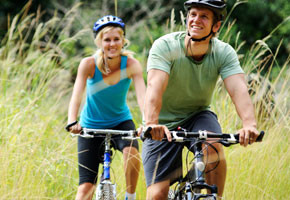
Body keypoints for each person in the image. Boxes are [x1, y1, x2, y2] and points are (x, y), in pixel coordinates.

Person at [142, 0, 260, 199]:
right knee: (156, 195)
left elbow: (238, 88)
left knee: (214, 142)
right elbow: (155, 86)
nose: (196, 20)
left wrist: (249, 125)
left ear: (216, 26)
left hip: (198, 115)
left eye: (204, 16)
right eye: (193, 14)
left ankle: (215, 197)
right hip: (161, 124)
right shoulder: (165, 46)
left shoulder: (223, 52)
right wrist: (152, 124)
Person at [66, 15, 146, 200]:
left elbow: (143, 96)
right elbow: (76, 95)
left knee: (132, 153)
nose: (112, 44)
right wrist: (72, 121)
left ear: (123, 40)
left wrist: (146, 122)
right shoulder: (88, 64)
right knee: (85, 188)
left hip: (120, 122)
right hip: (90, 125)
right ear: (99, 42)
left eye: (116, 39)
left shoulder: (131, 64)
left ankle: (130, 196)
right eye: (107, 39)